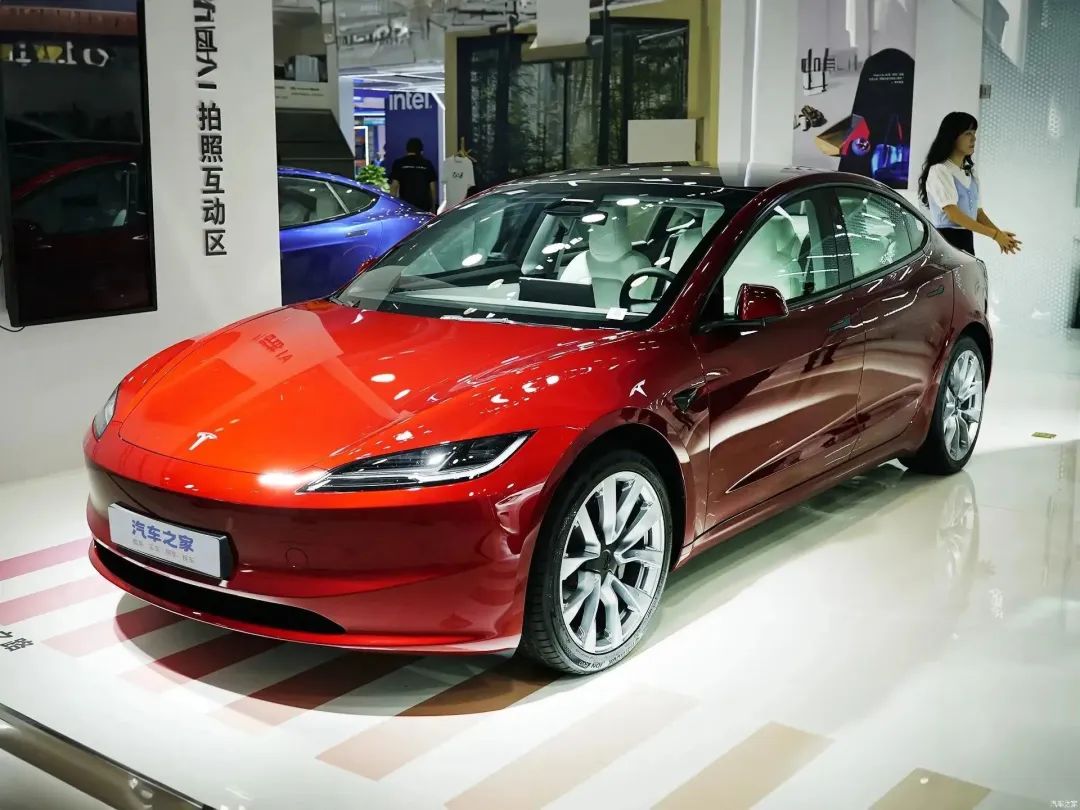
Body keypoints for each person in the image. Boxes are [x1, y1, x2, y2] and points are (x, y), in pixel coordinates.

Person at [918, 112, 1020, 256]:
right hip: (946, 242)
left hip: (966, 241)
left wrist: (1000, 235)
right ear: (952, 136)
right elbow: (954, 215)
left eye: (974, 133)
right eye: (968, 133)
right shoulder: (940, 170)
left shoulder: (971, 173)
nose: (974, 138)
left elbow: (978, 213)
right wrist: (995, 235)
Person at [388, 137, 437, 213]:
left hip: (405, 205)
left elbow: (394, 186)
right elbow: (432, 188)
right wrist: (433, 208)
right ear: (421, 150)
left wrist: (392, 207)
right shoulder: (427, 164)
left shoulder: (399, 163)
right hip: (423, 206)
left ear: (407, 149)